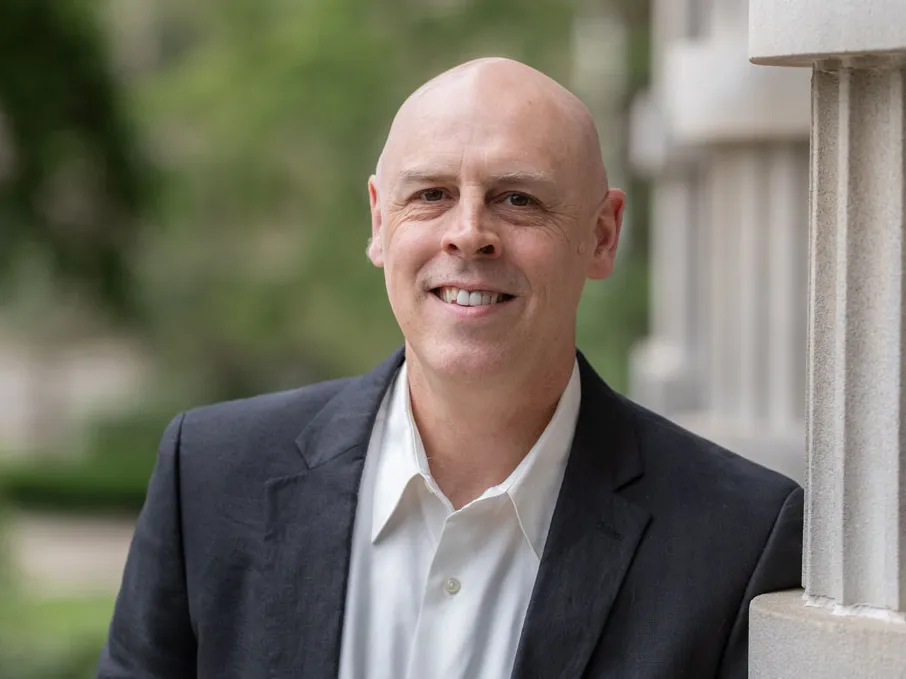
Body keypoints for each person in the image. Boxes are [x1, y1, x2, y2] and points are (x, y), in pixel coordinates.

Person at [97, 58, 803, 679]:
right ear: (379, 221)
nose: (469, 232)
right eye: (431, 193)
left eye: (517, 198)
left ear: (602, 234)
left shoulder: (739, 541)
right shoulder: (211, 478)